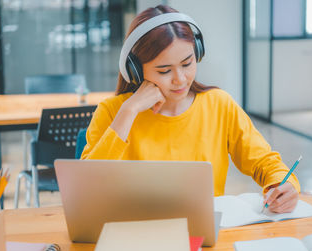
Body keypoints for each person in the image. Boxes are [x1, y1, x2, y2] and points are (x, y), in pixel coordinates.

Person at [81, 5, 300, 213]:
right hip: (133, 230)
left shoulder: (219, 104)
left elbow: (264, 161)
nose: (180, 79)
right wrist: (129, 111)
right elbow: (87, 188)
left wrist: (283, 184)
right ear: (136, 71)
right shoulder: (114, 111)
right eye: (164, 70)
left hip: (202, 233)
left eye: (187, 64)